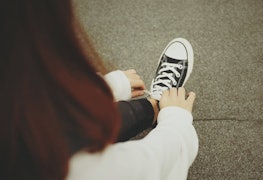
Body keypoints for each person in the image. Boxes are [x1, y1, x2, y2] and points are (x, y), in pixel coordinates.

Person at [0, 1, 198, 180]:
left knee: (85, 121)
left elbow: (41, 104)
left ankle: (153, 107)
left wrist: (108, 88)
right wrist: (176, 120)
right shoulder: (75, 170)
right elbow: (155, 163)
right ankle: (161, 106)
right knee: (82, 126)